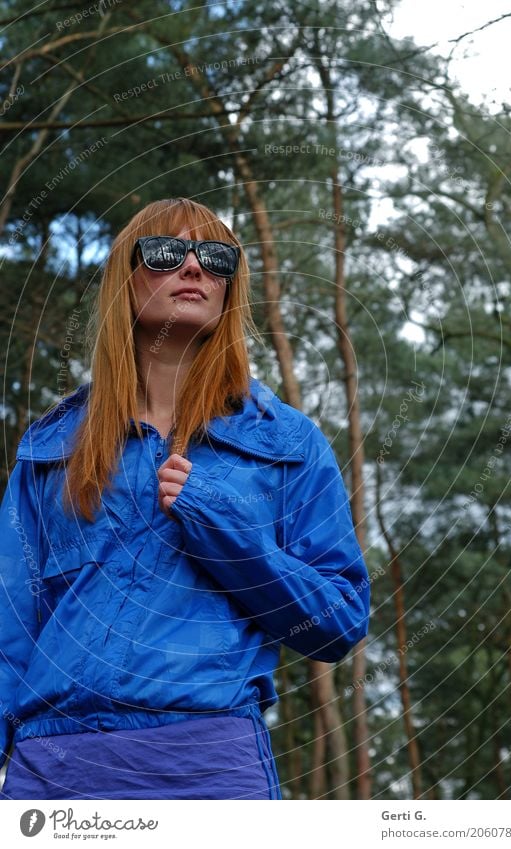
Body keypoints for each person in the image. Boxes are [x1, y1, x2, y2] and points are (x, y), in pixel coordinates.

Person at [0, 197, 370, 800]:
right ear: (128, 275)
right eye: (168, 252)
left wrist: (230, 536)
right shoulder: (52, 446)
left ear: (231, 286)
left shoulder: (286, 443)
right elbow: (8, 624)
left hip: (208, 764)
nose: (194, 267)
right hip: (54, 769)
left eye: (215, 257)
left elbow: (339, 622)